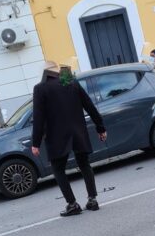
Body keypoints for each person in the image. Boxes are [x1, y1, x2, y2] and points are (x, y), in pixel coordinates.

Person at [31, 65, 107, 217]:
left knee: (58, 170)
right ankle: (92, 200)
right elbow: (89, 106)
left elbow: (38, 117)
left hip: (56, 137)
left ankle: (72, 204)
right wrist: (101, 127)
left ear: (45, 72)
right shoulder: (72, 83)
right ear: (57, 71)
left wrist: (35, 143)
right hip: (78, 133)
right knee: (84, 164)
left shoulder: (40, 88)